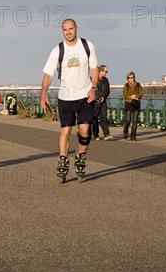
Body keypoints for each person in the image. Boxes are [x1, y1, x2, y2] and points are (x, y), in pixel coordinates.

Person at [40, 18, 98, 182]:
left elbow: (94, 69)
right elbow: (48, 74)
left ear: (76, 29)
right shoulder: (58, 50)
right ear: (62, 31)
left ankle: (80, 157)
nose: (68, 32)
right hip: (65, 97)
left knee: (85, 130)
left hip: (85, 95)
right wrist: (43, 94)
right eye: (65, 30)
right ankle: (63, 161)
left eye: (71, 29)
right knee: (65, 131)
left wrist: (94, 88)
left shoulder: (87, 46)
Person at [92, 65, 113, 141]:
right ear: (100, 71)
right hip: (95, 102)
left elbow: (107, 90)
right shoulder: (93, 79)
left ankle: (107, 134)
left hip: (103, 102)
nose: (105, 73)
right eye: (104, 71)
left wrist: (104, 97)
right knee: (94, 119)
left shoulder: (105, 80)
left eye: (106, 72)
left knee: (103, 117)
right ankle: (95, 134)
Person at [123, 71, 144, 141]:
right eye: (128, 78)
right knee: (128, 120)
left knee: (134, 122)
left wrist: (136, 96)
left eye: (131, 78)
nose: (130, 79)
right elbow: (125, 95)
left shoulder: (138, 85)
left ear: (134, 78)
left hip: (136, 104)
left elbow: (141, 93)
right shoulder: (126, 85)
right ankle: (125, 131)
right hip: (128, 104)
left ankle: (133, 136)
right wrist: (131, 97)